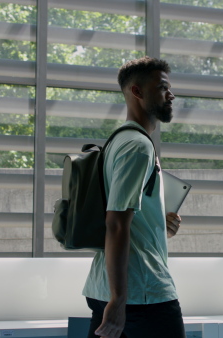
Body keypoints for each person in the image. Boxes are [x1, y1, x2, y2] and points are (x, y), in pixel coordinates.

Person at [82, 56, 185, 338]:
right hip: (142, 294)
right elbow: (115, 222)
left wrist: (158, 227)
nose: (171, 94)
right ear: (137, 92)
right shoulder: (138, 147)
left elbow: (125, 217)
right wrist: (119, 300)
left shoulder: (118, 141)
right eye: (163, 87)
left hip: (113, 289)